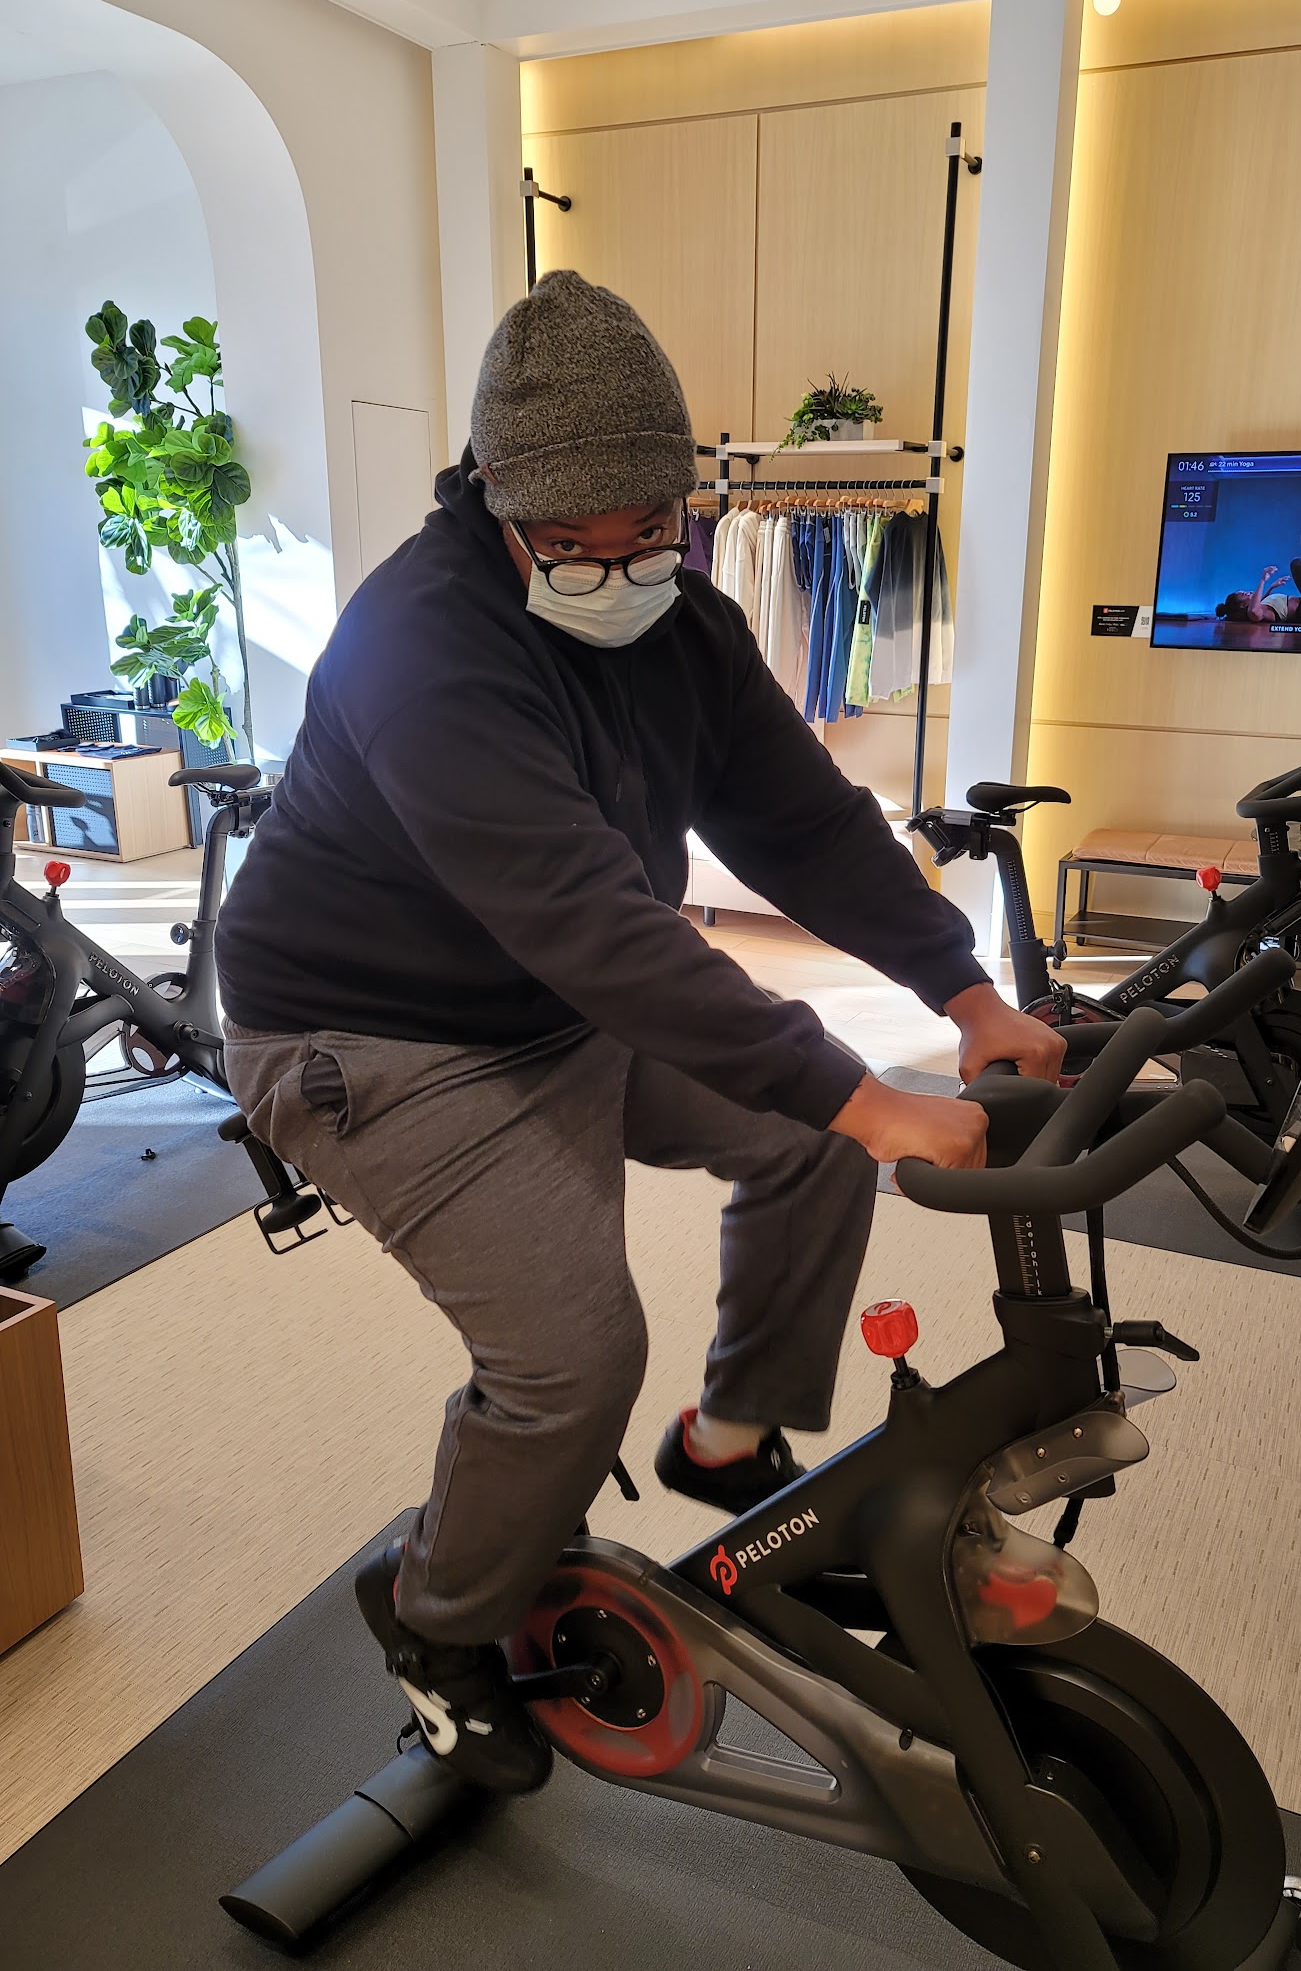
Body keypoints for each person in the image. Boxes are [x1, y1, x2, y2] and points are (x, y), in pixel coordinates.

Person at [216, 271, 1064, 1792]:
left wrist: (966, 988)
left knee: (812, 1139)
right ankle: (433, 1614)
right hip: (372, 1038)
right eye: (574, 543)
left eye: (648, 532)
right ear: (496, 499)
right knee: (573, 1359)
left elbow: (804, 817)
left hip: (553, 996)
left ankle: (731, 1442)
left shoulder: (686, 618)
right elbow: (590, 922)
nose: (616, 569)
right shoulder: (422, 646)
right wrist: (866, 1097)